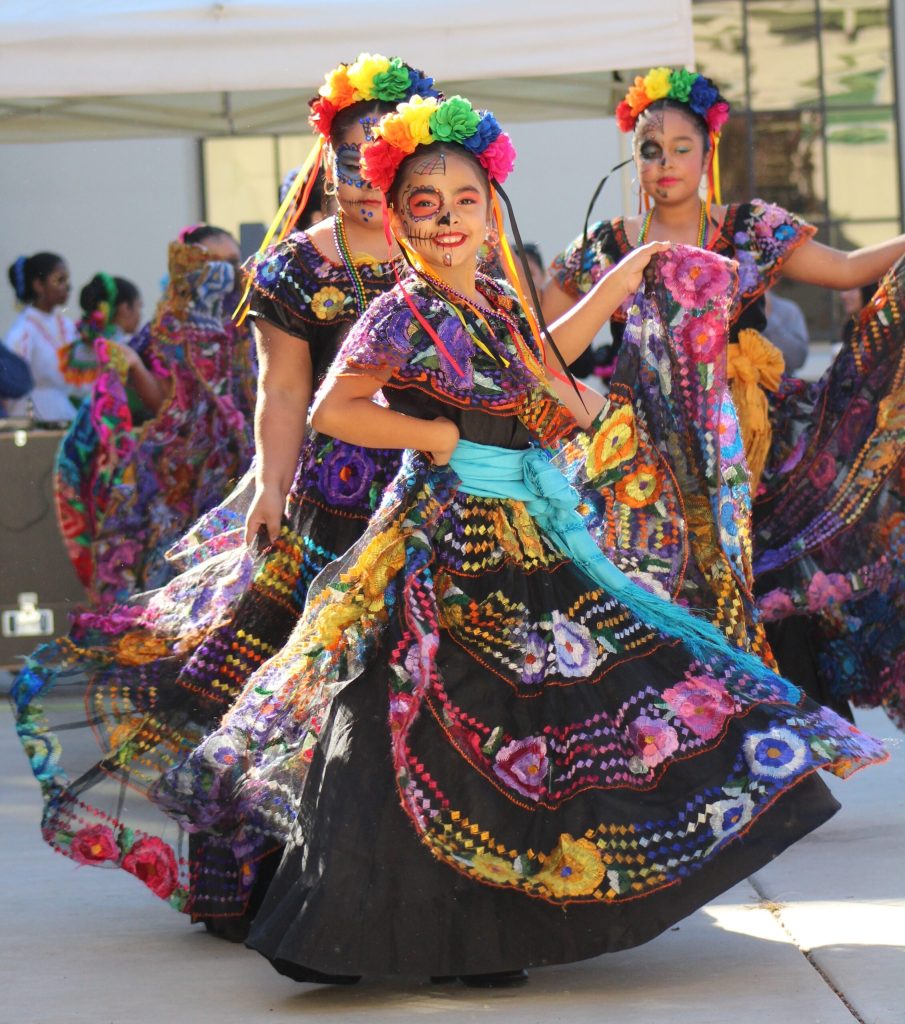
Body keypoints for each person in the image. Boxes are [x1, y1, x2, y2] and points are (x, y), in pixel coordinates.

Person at [143, 96, 884, 987]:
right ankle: (397, 926)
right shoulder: (398, 313)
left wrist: (628, 275)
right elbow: (336, 407)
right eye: (426, 204)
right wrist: (436, 440)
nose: (448, 219)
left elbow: (543, 358)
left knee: (546, 706)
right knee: (437, 713)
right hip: (444, 539)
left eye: (464, 201)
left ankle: (495, 928)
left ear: (490, 209)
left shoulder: (495, 296)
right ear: (401, 215)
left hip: (528, 526)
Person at [10, 55, 443, 940]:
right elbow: (281, 395)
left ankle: (444, 880)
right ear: (326, 154)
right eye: (350, 146)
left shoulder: (449, 240)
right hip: (330, 506)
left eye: (383, 146)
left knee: (434, 686)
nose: (365, 164)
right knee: (301, 688)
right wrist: (270, 487)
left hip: (438, 500)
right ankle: (303, 881)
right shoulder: (290, 268)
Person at [544, 66, 905, 725]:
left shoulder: (749, 228)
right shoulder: (605, 248)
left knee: (764, 577)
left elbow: (849, 270)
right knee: (667, 589)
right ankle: (693, 743)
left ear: (707, 152)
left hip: (755, 443)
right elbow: (546, 347)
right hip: (649, 451)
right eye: (650, 149)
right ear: (634, 158)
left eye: (681, 147)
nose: (665, 163)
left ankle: (787, 739)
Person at [51, 226, 256, 604]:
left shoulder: (249, 321)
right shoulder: (167, 328)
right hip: (181, 481)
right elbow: (164, 402)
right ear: (189, 266)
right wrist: (134, 367)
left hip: (243, 470)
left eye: (233, 261)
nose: (229, 274)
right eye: (216, 263)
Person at [5, 252, 82, 421]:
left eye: (66, 281)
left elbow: (79, 377)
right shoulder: (24, 330)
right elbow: (12, 380)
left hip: (62, 408)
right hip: (30, 413)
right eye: (59, 280)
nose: (67, 287)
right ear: (38, 285)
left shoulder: (66, 326)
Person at [763, 287, 809, 372]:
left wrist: (768, 317)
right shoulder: (732, 307)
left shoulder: (788, 311)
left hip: (778, 382)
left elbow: (797, 360)